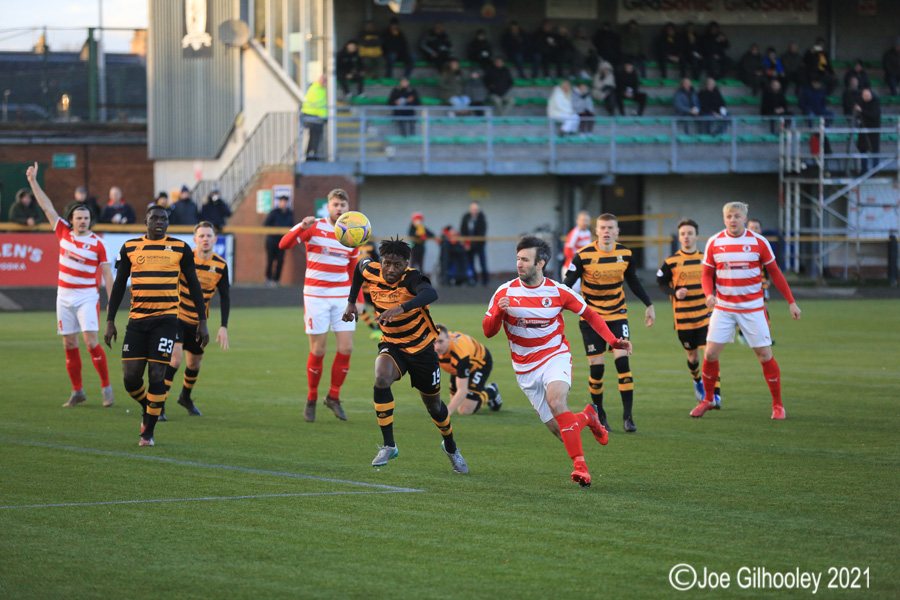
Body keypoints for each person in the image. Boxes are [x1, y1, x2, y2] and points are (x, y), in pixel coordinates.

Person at [484, 235, 631, 487]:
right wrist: (499, 311)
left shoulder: (558, 291)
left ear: (540, 263)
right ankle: (588, 417)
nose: (519, 264)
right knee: (560, 430)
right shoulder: (504, 292)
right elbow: (488, 330)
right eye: (518, 258)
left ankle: (581, 468)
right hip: (524, 368)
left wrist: (613, 340)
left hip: (555, 356)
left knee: (556, 400)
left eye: (525, 259)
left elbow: (591, 315)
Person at [342, 238, 468, 473]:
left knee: (434, 407)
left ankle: (451, 447)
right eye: (387, 263)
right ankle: (389, 445)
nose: (391, 269)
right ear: (381, 261)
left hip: (422, 350)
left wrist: (401, 308)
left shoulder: (412, 278)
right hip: (393, 345)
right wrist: (351, 303)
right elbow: (359, 268)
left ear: (406, 263)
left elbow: (431, 293)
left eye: (397, 265)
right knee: (380, 378)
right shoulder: (372, 269)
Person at [104, 204, 210, 446]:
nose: (159, 221)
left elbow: (193, 285)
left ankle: (147, 433)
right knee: (130, 379)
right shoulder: (130, 247)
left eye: (164, 218)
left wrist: (202, 321)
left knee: (156, 373)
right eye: (155, 218)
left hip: (166, 321)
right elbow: (120, 285)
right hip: (137, 322)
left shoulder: (180, 248)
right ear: (146, 221)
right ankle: (149, 406)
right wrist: (110, 320)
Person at [690, 202, 801, 420]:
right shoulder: (715, 242)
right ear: (724, 219)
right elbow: (706, 275)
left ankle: (778, 405)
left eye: (737, 216)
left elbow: (775, 273)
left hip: (753, 309)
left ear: (745, 219)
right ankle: (708, 399)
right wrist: (708, 294)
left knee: (764, 354)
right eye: (729, 216)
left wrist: (791, 301)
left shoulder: (759, 242)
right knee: (710, 353)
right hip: (723, 308)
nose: (733, 220)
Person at [25, 162, 114, 408]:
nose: (83, 221)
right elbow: (46, 205)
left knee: (91, 342)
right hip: (63, 295)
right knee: (69, 343)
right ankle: (78, 392)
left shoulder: (98, 243)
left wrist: (112, 304)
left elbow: (107, 274)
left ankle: (106, 387)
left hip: (87, 296)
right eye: (79, 218)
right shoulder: (63, 231)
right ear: (72, 219)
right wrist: (33, 181)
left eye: (86, 218)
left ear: (90, 220)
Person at [563, 213, 655, 433]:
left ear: (617, 231)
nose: (606, 231)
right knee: (597, 369)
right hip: (591, 319)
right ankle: (600, 415)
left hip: (617, 316)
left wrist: (649, 304)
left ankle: (628, 418)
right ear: (596, 230)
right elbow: (567, 285)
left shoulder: (625, 254)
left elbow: (633, 281)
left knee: (622, 364)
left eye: (610, 228)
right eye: (602, 227)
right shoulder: (583, 255)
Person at [279, 189, 357, 422]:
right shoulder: (313, 227)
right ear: (328, 207)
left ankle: (333, 397)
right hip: (316, 295)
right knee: (318, 350)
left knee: (346, 349)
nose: (339, 208)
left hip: (342, 296)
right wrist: (301, 227)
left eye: (343, 205)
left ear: (347, 207)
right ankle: (312, 397)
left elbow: (353, 270)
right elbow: (284, 245)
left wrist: (357, 300)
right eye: (335, 204)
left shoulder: (352, 234)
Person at [161, 221, 230, 420]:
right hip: (176, 317)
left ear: (215, 239)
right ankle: (159, 404)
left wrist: (223, 326)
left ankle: (185, 397)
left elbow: (225, 297)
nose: (205, 239)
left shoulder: (220, 265)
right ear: (195, 240)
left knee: (194, 364)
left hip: (199, 323)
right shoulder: (185, 259)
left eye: (209, 236)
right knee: (175, 359)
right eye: (201, 236)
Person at [656, 218, 721, 407]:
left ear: (696, 236)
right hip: (683, 319)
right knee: (693, 357)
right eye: (683, 234)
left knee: (711, 354)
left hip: (706, 317)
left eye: (690, 233)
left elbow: (717, 281)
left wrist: (715, 296)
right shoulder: (671, 262)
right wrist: (674, 292)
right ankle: (697, 382)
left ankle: (715, 395)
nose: (686, 237)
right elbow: (660, 283)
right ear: (679, 236)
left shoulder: (706, 259)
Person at [434, 324, 500, 414]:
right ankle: (478, 391)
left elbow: (462, 390)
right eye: (434, 342)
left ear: (448, 339)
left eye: (441, 342)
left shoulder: (461, 355)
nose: (437, 347)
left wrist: (446, 413)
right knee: (455, 401)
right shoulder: (429, 347)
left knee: (464, 410)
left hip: (480, 363)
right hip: (456, 367)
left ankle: (491, 391)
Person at [263, 195, 292, 286]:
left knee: (280, 260)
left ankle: (277, 279)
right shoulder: (274, 213)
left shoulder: (289, 214)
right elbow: (266, 224)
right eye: (282, 201)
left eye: (285, 201)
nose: (284, 203)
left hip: (283, 241)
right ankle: (269, 279)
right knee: (270, 260)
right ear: (279, 202)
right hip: (272, 240)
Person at [460, 201, 488, 285]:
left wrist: (471, 244)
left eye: (476, 209)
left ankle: (485, 281)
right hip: (468, 244)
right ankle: (473, 280)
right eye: (472, 209)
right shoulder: (466, 217)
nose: (474, 211)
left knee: (482, 262)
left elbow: (480, 233)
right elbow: (463, 230)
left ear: (479, 209)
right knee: (470, 263)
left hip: (479, 244)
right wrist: (465, 243)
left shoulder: (482, 218)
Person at [854, 88, 881, 172]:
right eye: (864, 95)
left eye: (867, 95)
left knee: (874, 151)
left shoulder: (875, 103)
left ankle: (875, 170)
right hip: (863, 130)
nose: (866, 97)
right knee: (862, 149)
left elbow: (873, 115)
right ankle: (864, 170)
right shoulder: (861, 103)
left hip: (873, 130)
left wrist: (862, 111)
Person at [562, 210, 593, 283]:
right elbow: (567, 252)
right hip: (571, 268)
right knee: (571, 293)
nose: (585, 223)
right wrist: (579, 260)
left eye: (587, 220)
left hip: (583, 268)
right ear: (577, 221)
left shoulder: (588, 232)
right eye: (583, 220)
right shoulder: (574, 233)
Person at [302, 74, 327, 161]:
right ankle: (313, 156)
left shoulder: (313, 87)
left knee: (312, 137)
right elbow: (320, 106)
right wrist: (325, 117)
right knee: (315, 137)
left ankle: (309, 155)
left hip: (308, 116)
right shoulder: (319, 90)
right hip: (314, 118)